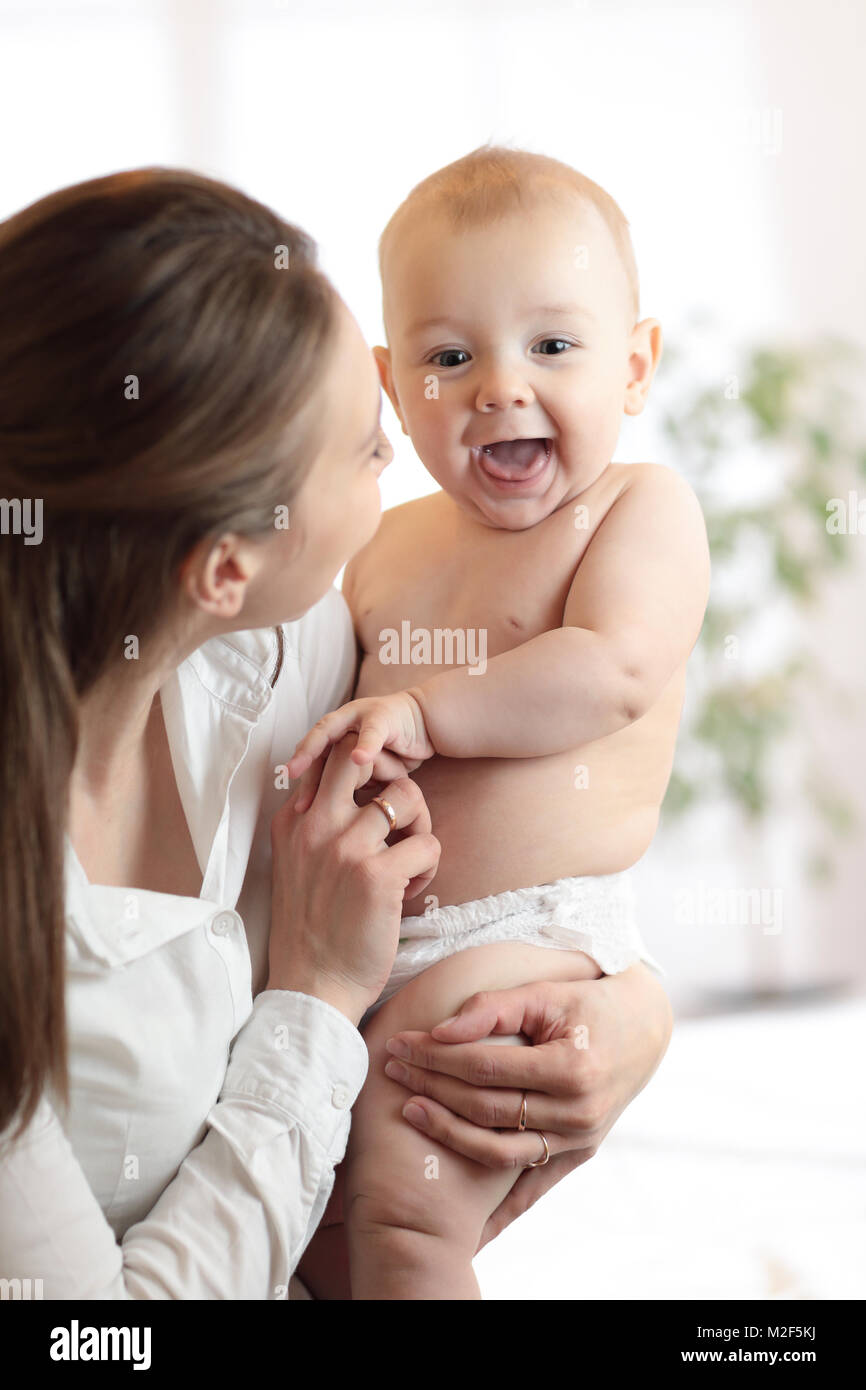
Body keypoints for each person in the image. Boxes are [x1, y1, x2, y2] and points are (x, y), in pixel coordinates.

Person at [0, 166, 673, 1300]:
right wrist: (312, 1001)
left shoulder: (294, 649)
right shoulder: (330, 612)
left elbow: (550, 801)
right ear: (223, 567)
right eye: (370, 448)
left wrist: (627, 1014)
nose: (424, 453)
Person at [288, 147, 709, 1300]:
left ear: (634, 367)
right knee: (316, 1224)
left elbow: (611, 669)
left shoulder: (636, 508)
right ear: (391, 382)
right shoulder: (380, 542)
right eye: (448, 354)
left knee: (402, 1203)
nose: (498, 385)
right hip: (367, 944)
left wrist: (425, 709)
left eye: (552, 346)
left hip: (526, 930)